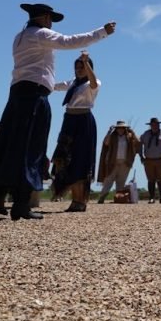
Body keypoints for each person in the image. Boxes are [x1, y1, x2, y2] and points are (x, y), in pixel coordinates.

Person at [0, 3, 115, 221]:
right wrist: (102, 32)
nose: (51, 23)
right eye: (50, 19)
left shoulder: (20, 36)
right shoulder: (41, 34)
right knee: (31, 148)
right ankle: (21, 205)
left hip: (16, 95)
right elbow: (69, 41)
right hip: (34, 97)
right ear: (45, 18)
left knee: (12, 145)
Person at [50, 52, 100, 212]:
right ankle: (74, 199)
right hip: (69, 121)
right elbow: (54, 86)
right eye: (77, 67)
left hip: (84, 122)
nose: (78, 70)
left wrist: (86, 63)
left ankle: (80, 200)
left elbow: (93, 82)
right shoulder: (72, 83)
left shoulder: (94, 82)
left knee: (81, 160)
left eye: (82, 67)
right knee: (64, 158)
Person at [96, 121, 141, 204]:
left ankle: (118, 198)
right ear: (116, 129)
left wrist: (133, 132)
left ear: (125, 128)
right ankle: (102, 197)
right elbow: (105, 142)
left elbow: (138, 142)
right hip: (112, 162)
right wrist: (109, 131)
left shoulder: (129, 136)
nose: (120, 130)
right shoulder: (112, 136)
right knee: (108, 180)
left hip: (125, 162)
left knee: (121, 181)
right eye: (118, 128)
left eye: (122, 128)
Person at [139, 118, 161, 203]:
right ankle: (151, 198)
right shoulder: (145, 134)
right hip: (148, 160)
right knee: (151, 179)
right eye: (153, 124)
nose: (155, 126)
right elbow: (139, 144)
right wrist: (141, 156)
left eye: (157, 124)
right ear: (150, 125)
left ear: (159, 125)